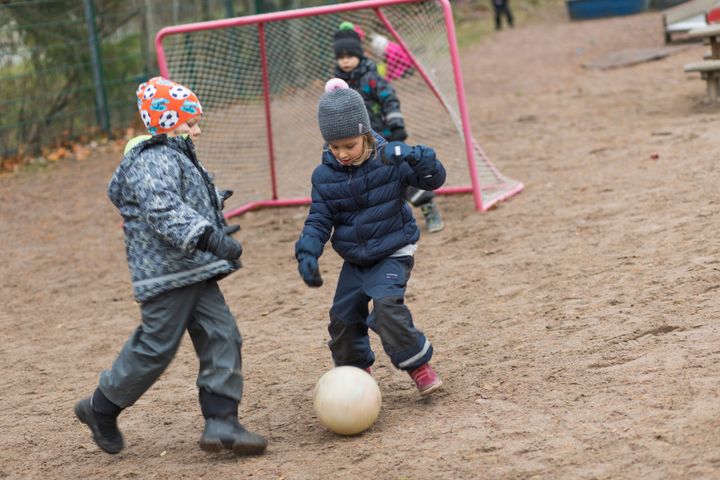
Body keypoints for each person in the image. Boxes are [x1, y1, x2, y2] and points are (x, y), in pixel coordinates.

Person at [74, 76, 267, 456]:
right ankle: (100, 408)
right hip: (166, 274)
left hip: (193, 268)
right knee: (156, 348)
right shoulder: (152, 158)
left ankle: (221, 421)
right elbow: (161, 207)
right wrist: (209, 237)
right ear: (166, 122)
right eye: (189, 122)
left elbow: (183, 197)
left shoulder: (175, 155)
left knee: (222, 334)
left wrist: (214, 205)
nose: (196, 130)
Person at [294, 78, 445, 396]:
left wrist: (416, 155)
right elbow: (319, 218)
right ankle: (356, 376)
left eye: (349, 145)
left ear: (365, 134)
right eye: (335, 147)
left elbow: (434, 180)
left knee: (387, 307)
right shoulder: (324, 176)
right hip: (355, 259)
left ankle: (418, 365)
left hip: (393, 250)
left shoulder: (390, 159)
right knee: (343, 319)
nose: (342, 154)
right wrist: (308, 250)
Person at [332, 22, 444, 233]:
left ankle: (427, 205)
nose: (345, 60)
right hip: (355, 145)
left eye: (349, 55)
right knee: (367, 184)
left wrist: (396, 124)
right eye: (341, 56)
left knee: (400, 173)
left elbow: (389, 100)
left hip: (382, 139)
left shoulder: (371, 78)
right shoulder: (337, 85)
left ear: (360, 54)